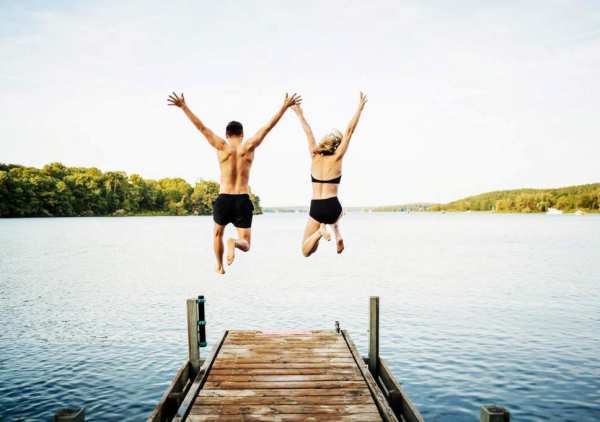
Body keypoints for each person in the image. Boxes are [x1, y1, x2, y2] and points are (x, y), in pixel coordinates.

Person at [168, 92, 302, 274]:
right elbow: (267, 127)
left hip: (224, 199)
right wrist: (284, 107)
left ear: (227, 134)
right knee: (246, 244)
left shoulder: (221, 146)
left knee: (217, 234)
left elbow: (201, 127)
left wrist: (183, 107)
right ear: (242, 134)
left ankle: (219, 265)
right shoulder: (249, 146)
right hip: (242, 199)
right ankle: (234, 243)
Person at [292, 92, 367, 257]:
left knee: (306, 250)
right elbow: (349, 131)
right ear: (336, 147)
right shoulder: (337, 157)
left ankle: (320, 233)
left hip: (317, 207)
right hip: (333, 206)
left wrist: (299, 113)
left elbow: (308, 132)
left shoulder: (314, 155)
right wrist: (359, 109)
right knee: (340, 212)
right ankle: (337, 234)